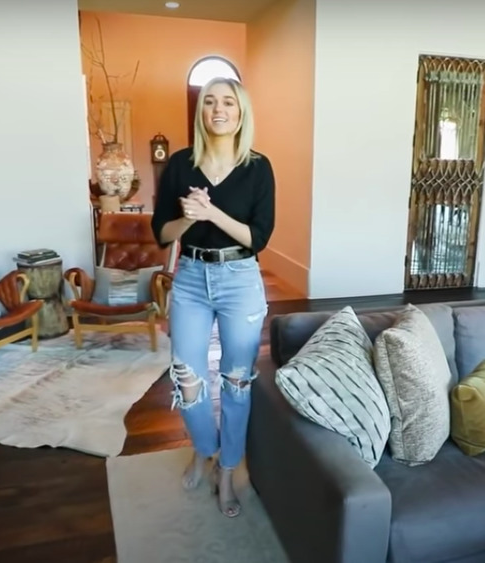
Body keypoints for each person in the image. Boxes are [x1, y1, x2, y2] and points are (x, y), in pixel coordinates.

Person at [151, 76, 275, 518]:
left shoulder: (258, 167)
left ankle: (227, 468)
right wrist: (187, 218)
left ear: (240, 113)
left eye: (228, 102)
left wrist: (211, 211)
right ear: (201, 112)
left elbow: (258, 237)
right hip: (190, 277)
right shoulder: (182, 165)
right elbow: (161, 233)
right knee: (185, 374)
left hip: (240, 278)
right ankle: (205, 448)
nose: (218, 110)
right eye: (209, 103)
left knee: (237, 380)